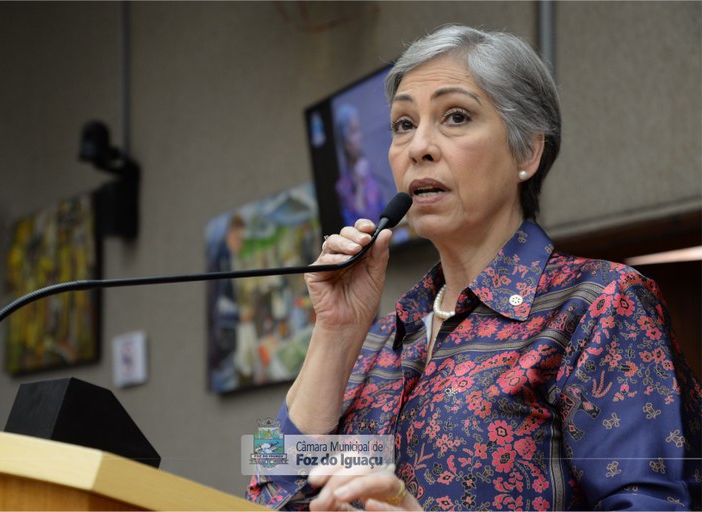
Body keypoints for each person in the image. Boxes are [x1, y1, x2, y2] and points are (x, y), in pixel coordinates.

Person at [247, 25, 701, 510]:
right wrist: (334, 333)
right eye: (403, 124)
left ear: (527, 151)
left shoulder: (600, 304)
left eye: (456, 116)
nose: (418, 146)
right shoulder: (380, 337)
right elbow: (264, 489)